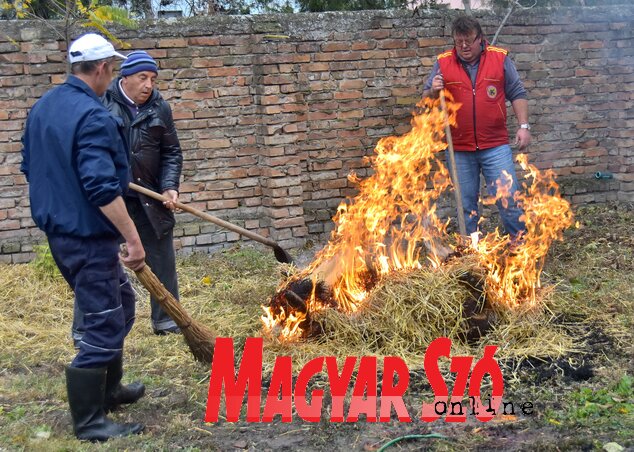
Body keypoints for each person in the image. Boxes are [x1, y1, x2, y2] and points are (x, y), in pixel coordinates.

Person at [21, 33, 146, 441]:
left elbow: (30, 165)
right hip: (87, 237)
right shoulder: (93, 116)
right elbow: (101, 188)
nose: (111, 74)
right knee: (102, 322)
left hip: (63, 232)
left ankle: (109, 388)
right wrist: (132, 238)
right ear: (101, 68)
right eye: (110, 67)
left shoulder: (44, 107)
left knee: (121, 304)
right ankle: (92, 423)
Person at [72, 50, 183, 338]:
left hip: (149, 196)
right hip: (110, 196)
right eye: (142, 77)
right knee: (98, 261)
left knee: (161, 258)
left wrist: (170, 186)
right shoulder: (100, 103)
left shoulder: (160, 108)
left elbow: (171, 151)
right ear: (125, 77)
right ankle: (86, 328)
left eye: (153, 79)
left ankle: (167, 320)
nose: (149, 85)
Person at [423, 15, 531, 242]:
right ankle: (472, 252)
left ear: (480, 39)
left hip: (495, 146)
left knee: (508, 197)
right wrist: (433, 90)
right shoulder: (443, 63)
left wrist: (523, 126)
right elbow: (426, 100)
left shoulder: (499, 59)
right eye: (458, 41)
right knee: (466, 204)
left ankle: (520, 245)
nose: (463, 47)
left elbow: (517, 93)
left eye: (468, 41)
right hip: (459, 148)